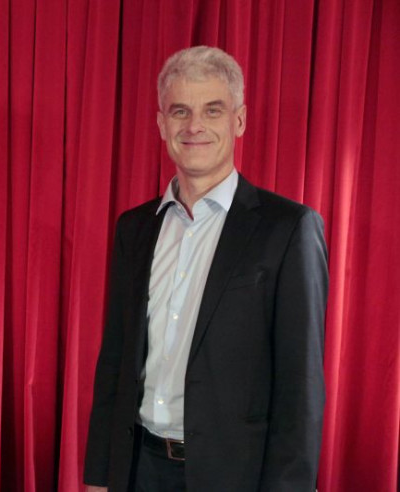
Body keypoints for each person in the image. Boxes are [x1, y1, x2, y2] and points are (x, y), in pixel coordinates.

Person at [84, 46, 328, 491]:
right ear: (162, 124)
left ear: (239, 120)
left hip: (235, 476)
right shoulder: (133, 228)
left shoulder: (289, 228)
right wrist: (100, 476)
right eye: (181, 111)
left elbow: (301, 385)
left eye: (212, 110)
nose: (194, 125)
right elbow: (115, 360)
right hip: (137, 470)